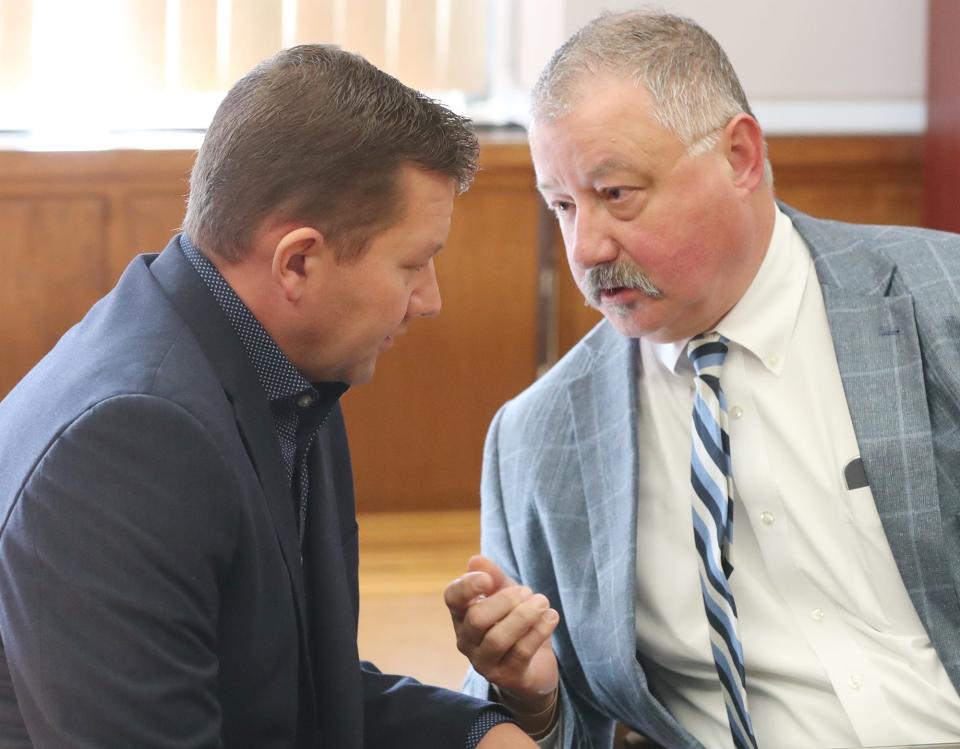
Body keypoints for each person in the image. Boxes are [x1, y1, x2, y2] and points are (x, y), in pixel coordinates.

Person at [444, 10, 960, 749]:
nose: (586, 247)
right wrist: (531, 698)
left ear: (740, 155)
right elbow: (558, 728)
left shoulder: (942, 300)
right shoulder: (537, 439)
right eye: (561, 205)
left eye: (616, 192)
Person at [0, 44, 538, 749]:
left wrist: (484, 733)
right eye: (414, 264)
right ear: (299, 261)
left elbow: (295, 694)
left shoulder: (288, 369)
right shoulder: (125, 443)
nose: (429, 300)